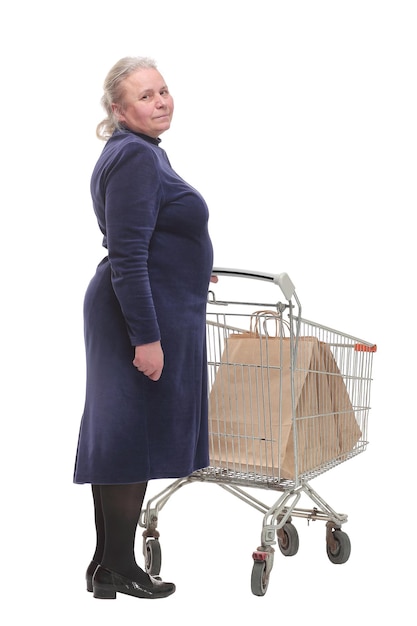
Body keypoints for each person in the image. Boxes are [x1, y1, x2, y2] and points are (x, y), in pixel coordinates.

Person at [73, 56, 216, 600]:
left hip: (140, 305)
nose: (160, 102)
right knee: (130, 436)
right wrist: (146, 338)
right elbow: (128, 254)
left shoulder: (138, 152)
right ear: (119, 110)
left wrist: (193, 268)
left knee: (120, 435)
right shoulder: (135, 157)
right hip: (137, 316)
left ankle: (106, 564)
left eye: (163, 91)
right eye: (145, 96)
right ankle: (118, 566)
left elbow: (152, 238)